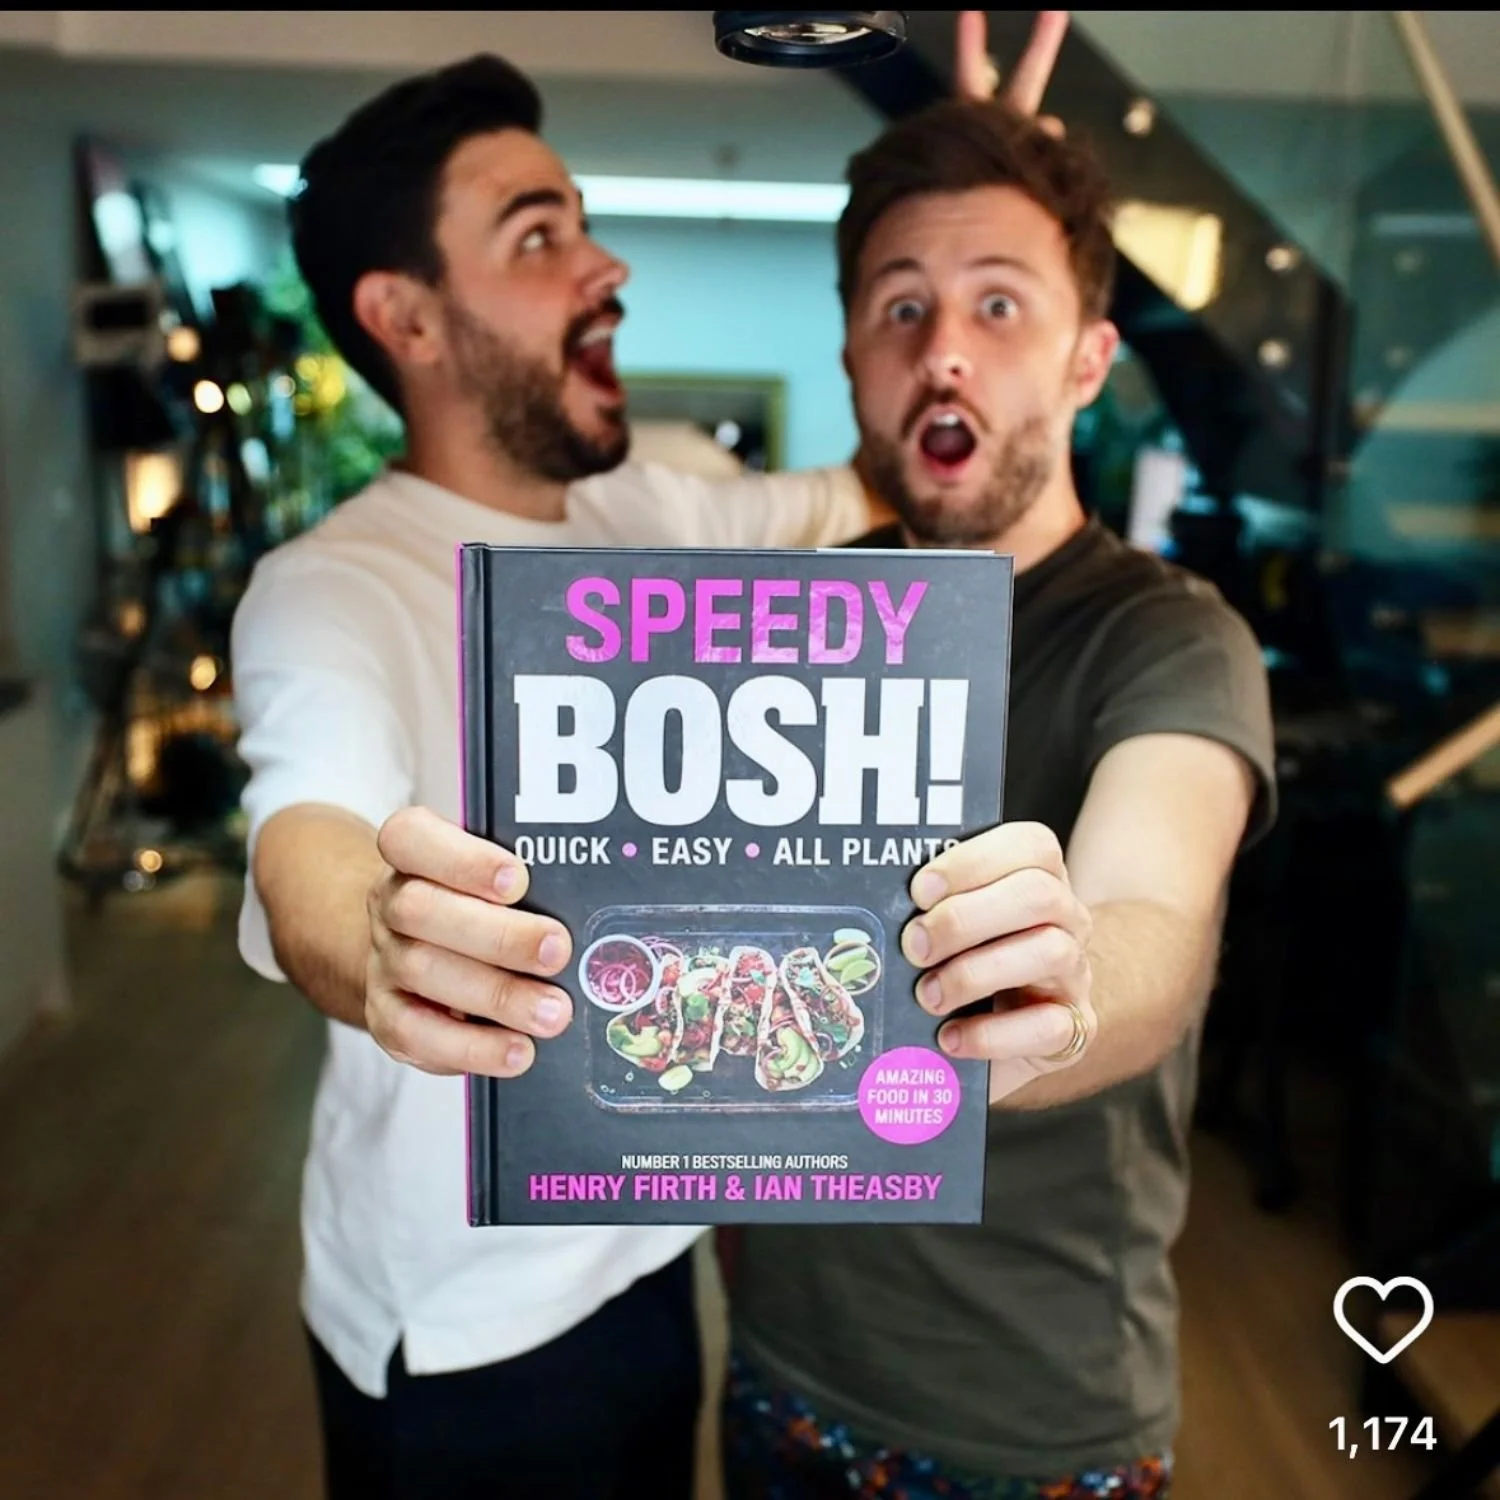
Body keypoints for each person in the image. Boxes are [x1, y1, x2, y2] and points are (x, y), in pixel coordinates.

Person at [230, 19, 1073, 1500]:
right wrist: (372, 935)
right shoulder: (329, 587)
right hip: (461, 1332)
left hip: (649, 1261)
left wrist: (988, 216)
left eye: (587, 225)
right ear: (406, 319)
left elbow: (900, 459)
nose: (604, 266)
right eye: (539, 234)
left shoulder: (653, 510)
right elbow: (307, 836)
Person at [716, 87, 1277, 1500]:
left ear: (1090, 361)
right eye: (901, 308)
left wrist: (1056, 992)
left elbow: (1147, 916)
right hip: (777, 1365)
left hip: (1031, 1427)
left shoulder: (1168, 635)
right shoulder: (788, 626)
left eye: (1001, 306)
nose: (946, 351)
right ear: (850, 355)